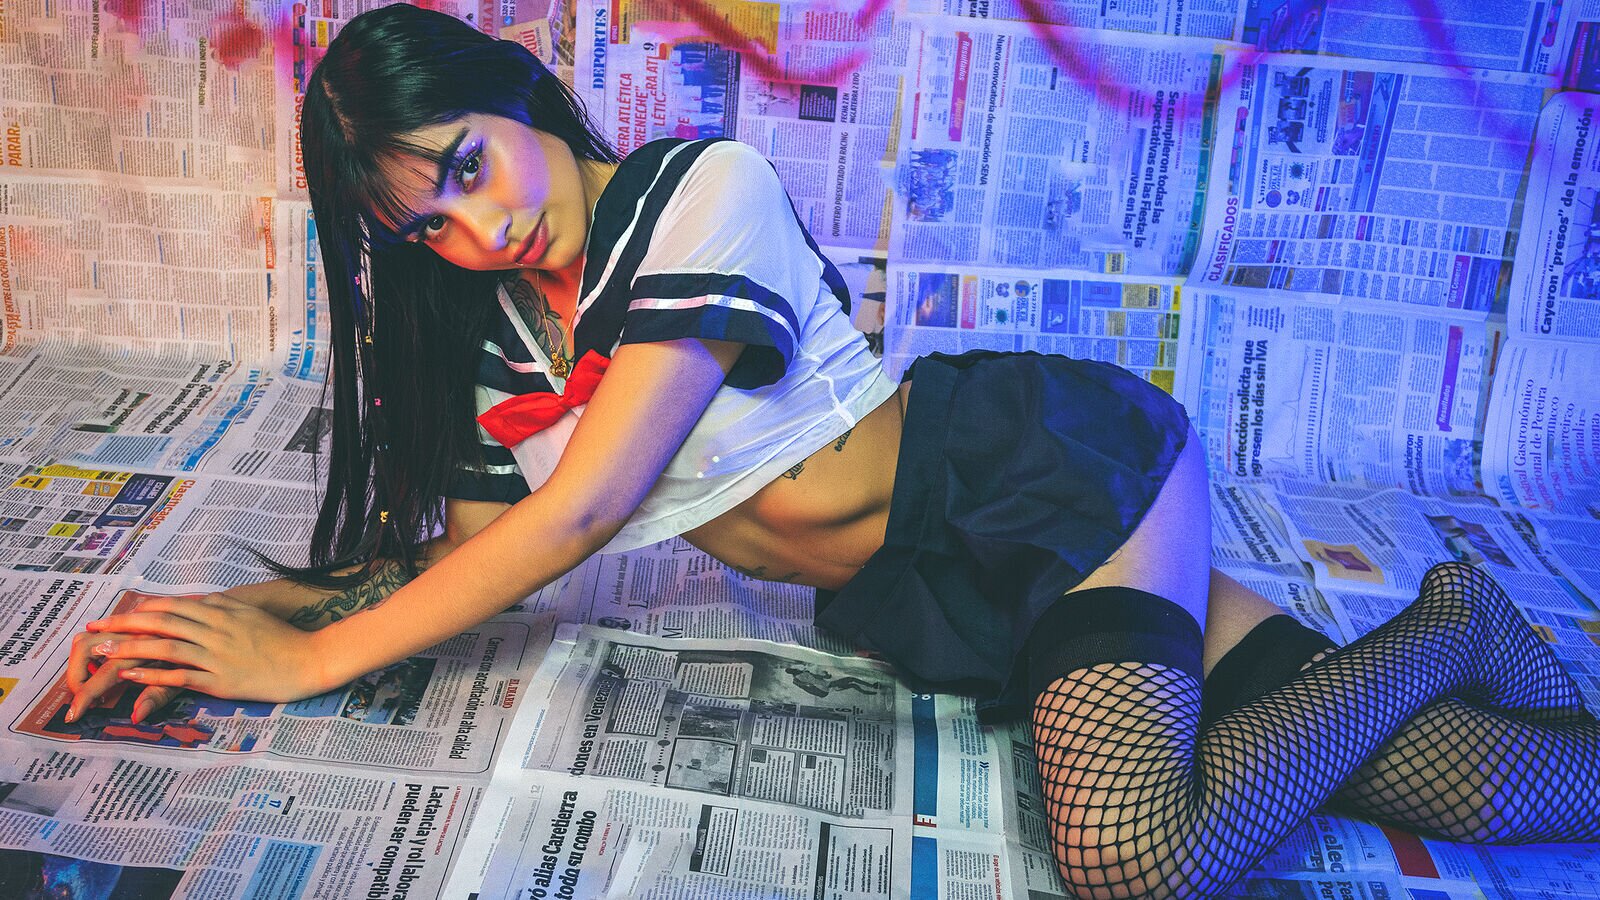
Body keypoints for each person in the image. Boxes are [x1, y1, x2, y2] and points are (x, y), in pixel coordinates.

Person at [65, 6, 1599, 897]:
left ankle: (1448, 614)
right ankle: (1477, 648)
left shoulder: (697, 191)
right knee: (1461, 782)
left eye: (469, 167)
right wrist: (249, 620)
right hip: (937, 593)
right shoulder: (496, 343)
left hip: (1038, 477)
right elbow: (472, 563)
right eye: (427, 230)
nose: (477, 229)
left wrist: (309, 666)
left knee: (1135, 851)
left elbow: (585, 509)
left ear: (519, 95)